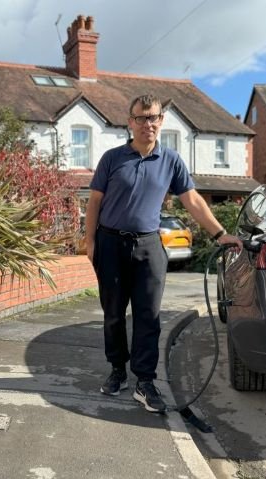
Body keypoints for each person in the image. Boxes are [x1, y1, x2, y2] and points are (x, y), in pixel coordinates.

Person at [85, 93, 242, 413]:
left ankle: (145, 381)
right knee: (113, 313)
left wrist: (220, 233)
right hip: (111, 244)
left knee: (148, 316)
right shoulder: (112, 158)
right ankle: (117, 370)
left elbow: (194, 200)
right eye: (141, 118)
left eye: (154, 117)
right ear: (130, 123)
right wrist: (90, 243)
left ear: (161, 121)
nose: (148, 124)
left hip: (149, 246)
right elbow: (94, 202)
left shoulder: (171, 161)